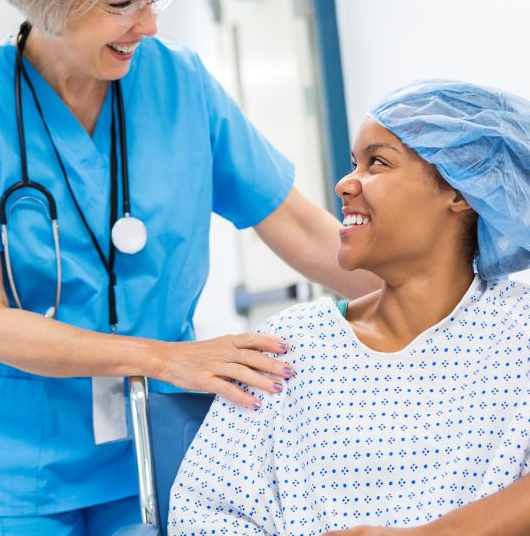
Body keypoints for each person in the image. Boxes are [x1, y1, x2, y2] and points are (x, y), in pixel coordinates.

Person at [0, 0, 378, 535]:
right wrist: (165, 358)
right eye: (123, 4)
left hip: (157, 436)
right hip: (12, 461)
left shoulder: (180, 84)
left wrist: (440, 292)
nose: (149, 23)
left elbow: (301, 229)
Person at [169, 79, 530, 535]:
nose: (344, 184)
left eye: (377, 163)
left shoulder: (519, 333)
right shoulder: (288, 347)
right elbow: (202, 514)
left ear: (461, 190)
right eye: (353, 164)